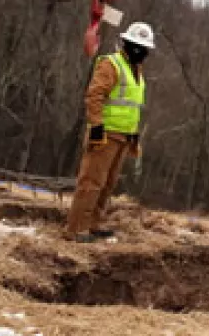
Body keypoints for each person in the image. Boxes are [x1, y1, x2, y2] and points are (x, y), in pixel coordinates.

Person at [64, 21, 155, 243]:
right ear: (126, 43)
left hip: (124, 137)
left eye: (143, 47)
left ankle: (94, 223)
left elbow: (132, 107)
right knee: (91, 182)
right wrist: (96, 127)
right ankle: (77, 228)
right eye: (136, 45)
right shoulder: (110, 64)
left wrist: (133, 135)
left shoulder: (137, 72)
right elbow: (95, 97)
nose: (140, 51)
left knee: (108, 183)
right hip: (105, 133)